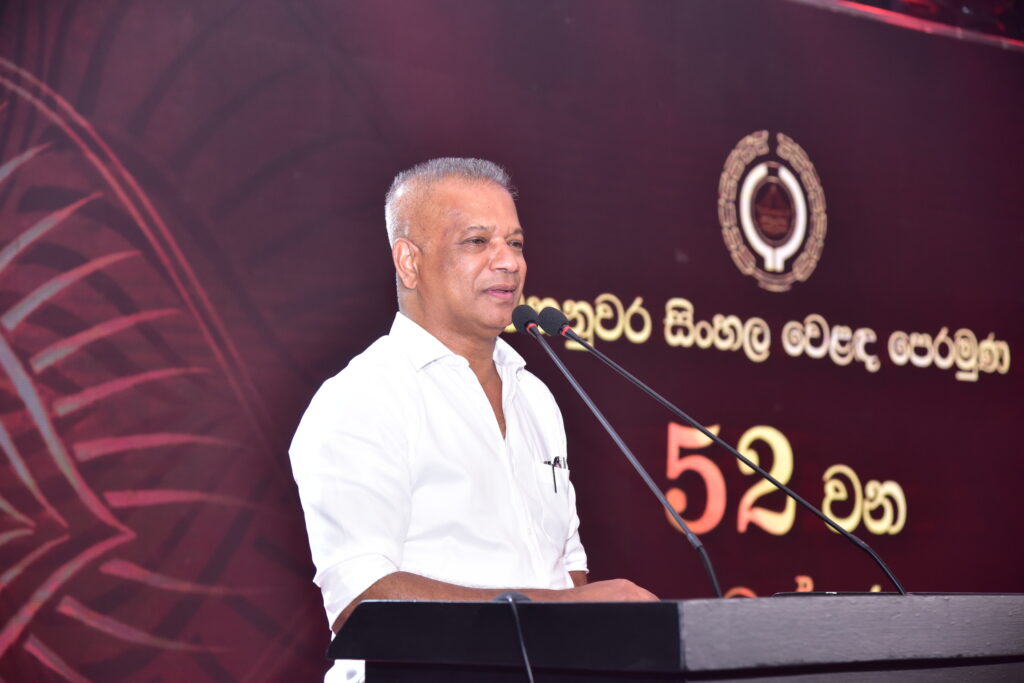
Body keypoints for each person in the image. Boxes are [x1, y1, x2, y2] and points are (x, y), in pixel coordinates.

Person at [289, 158, 656, 681]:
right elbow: (363, 604)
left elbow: (564, 567)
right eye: (477, 241)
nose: (508, 262)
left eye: (516, 243)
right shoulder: (362, 398)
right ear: (409, 262)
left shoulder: (535, 396)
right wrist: (565, 610)